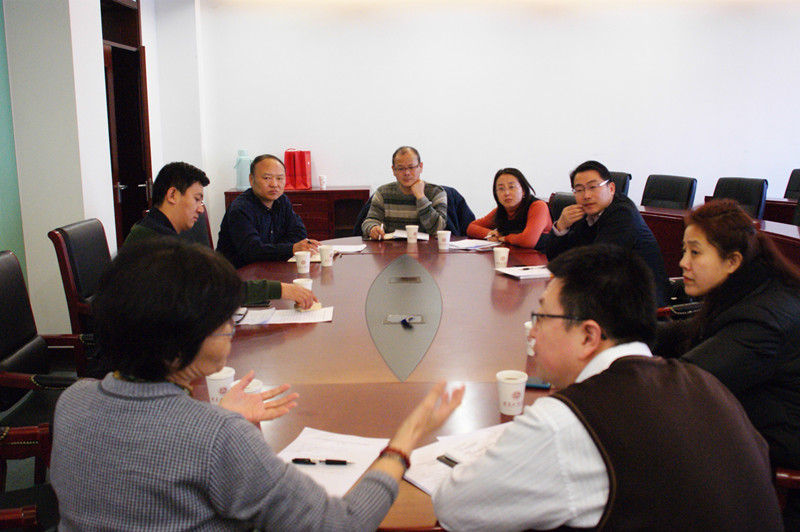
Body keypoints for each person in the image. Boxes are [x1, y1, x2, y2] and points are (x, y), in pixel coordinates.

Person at [51, 239, 464, 530]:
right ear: (175, 349)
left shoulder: (73, 400)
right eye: (224, 320)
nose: (232, 328)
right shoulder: (220, 438)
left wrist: (215, 419)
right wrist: (403, 443)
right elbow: (341, 524)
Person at [433, 244, 782, 531]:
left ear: (588, 336)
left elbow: (454, 508)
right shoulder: (705, 384)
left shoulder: (567, 422)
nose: (532, 332)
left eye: (541, 316)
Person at [652, 199, 800, 527]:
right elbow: (683, 333)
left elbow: (684, 384)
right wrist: (617, 330)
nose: (683, 262)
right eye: (684, 250)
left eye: (695, 252)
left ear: (732, 261)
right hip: (742, 436)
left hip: (776, 470)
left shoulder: (763, 318)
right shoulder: (748, 289)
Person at [125, 161, 316, 309]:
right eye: (197, 199)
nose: (200, 209)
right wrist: (281, 289)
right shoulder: (155, 243)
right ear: (172, 195)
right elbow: (212, 290)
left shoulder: (157, 231)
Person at [545, 160, 670, 306]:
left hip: (640, 302)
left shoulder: (623, 214)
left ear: (611, 188)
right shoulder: (585, 214)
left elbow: (598, 263)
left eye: (593, 187)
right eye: (579, 190)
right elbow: (555, 258)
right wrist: (561, 227)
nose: (586, 195)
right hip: (606, 294)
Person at [217, 154, 320, 267]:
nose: (274, 184)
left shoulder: (281, 200)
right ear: (251, 179)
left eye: (279, 178)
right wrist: (289, 248)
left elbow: (299, 233)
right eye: (267, 178)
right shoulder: (240, 209)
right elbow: (252, 251)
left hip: (270, 268)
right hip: (238, 272)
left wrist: (272, 250)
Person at [361, 146, 447, 240]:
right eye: (401, 168)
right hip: (391, 247)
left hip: (426, 247)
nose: (407, 173)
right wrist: (372, 228)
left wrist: (421, 197)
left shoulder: (436, 192)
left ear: (420, 167)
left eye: (411, 167)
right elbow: (370, 221)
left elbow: (438, 229)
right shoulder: (383, 193)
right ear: (394, 170)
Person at [466, 167, 552, 251]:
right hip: (514, 256)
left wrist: (504, 238)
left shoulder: (538, 206)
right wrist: (489, 233)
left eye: (511, 187)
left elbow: (528, 241)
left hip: (541, 257)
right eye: (501, 189)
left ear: (523, 190)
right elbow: (471, 227)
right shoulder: (502, 210)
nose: (506, 193)